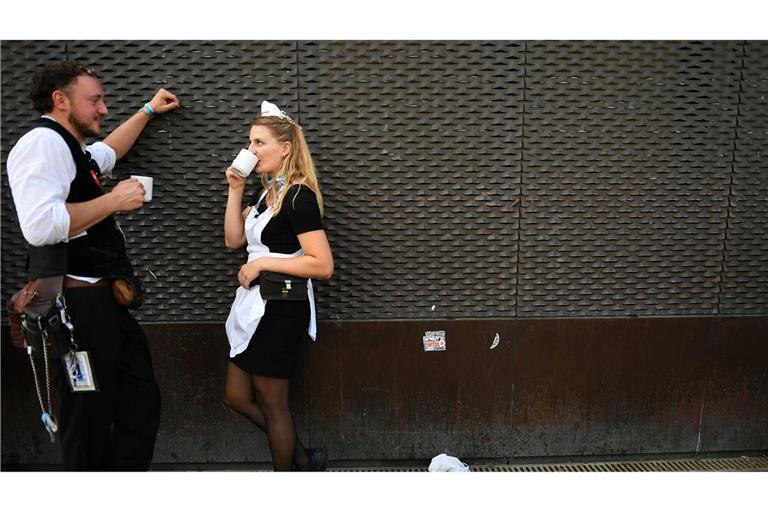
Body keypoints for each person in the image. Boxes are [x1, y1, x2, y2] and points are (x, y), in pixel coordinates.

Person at [6, 60, 180, 470]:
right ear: (60, 100)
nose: (103, 109)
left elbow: (108, 151)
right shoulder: (42, 144)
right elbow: (41, 225)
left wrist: (148, 111)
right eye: (95, 100)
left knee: (140, 403)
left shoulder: (72, 149)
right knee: (87, 419)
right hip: (77, 306)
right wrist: (115, 201)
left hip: (104, 304)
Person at [223, 100, 333, 471]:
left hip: (281, 307)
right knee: (236, 396)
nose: (250, 151)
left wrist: (263, 263)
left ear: (285, 148)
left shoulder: (299, 196)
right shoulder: (266, 192)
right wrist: (235, 189)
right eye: (250, 143)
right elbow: (233, 241)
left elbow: (322, 264)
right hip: (255, 307)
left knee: (274, 405)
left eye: (259, 143)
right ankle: (302, 459)